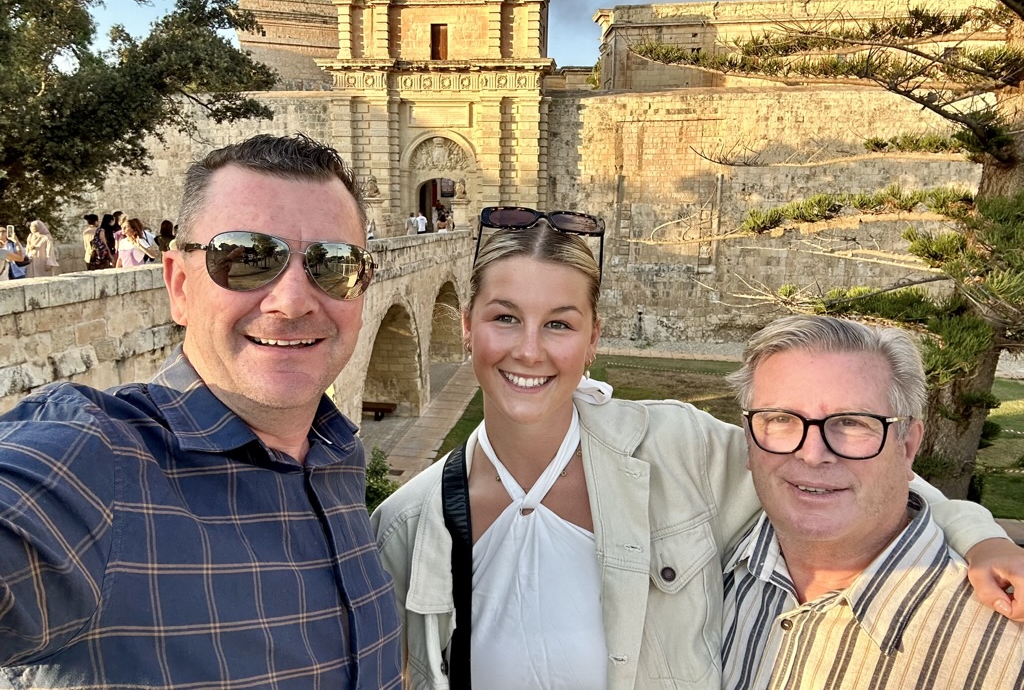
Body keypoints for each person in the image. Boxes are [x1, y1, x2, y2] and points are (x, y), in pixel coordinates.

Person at [371, 210, 1024, 690]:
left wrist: (982, 539)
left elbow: (842, 467)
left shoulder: (678, 449)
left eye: (560, 323)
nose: (529, 349)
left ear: (594, 338)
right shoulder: (408, 524)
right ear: (468, 327)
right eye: (505, 317)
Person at [0, 134, 402, 688]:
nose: (292, 301)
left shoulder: (337, 456)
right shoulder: (94, 464)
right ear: (180, 285)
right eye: (246, 258)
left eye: (334, 265)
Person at [722, 315, 1024, 689]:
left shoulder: (1009, 651)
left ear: (908, 446)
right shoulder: (703, 575)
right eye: (781, 419)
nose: (812, 454)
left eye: (851, 422)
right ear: (748, 440)